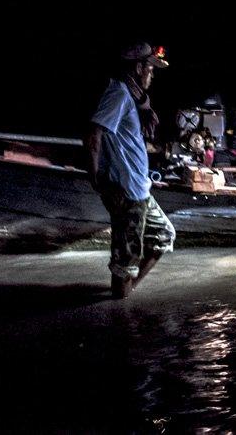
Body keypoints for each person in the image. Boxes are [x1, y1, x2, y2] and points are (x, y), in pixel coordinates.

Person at [86, 42, 176, 299]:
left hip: (140, 190)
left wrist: (146, 108)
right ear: (138, 68)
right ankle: (121, 300)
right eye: (149, 68)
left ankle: (127, 291)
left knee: (164, 235)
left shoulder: (131, 97)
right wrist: (99, 181)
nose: (152, 74)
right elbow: (94, 134)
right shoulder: (119, 95)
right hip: (127, 194)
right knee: (124, 266)